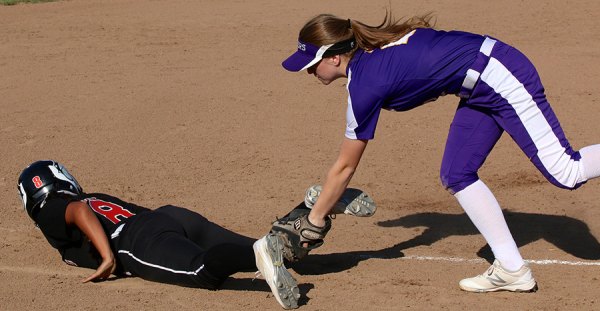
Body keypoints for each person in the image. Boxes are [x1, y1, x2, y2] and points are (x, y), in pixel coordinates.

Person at [281, 12, 600, 293]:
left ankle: (511, 268)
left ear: (335, 57)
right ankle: (512, 270)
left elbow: (344, 168)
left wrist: (315, 218)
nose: (310, 72)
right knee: (457, 173)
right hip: (480, 85)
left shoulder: (365, 84)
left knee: (566, 171)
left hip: (501, 74)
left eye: (312, 64)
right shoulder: (369, 56)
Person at [16, 160, 300, 309]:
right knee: (264, 251)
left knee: (203, 271)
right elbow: (91, 207)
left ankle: (258, 252)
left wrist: (106, 256)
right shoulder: (95, 196)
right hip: (165, 217)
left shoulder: (49, 211)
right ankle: (290, 241)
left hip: (138, 241)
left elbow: (77, 211)